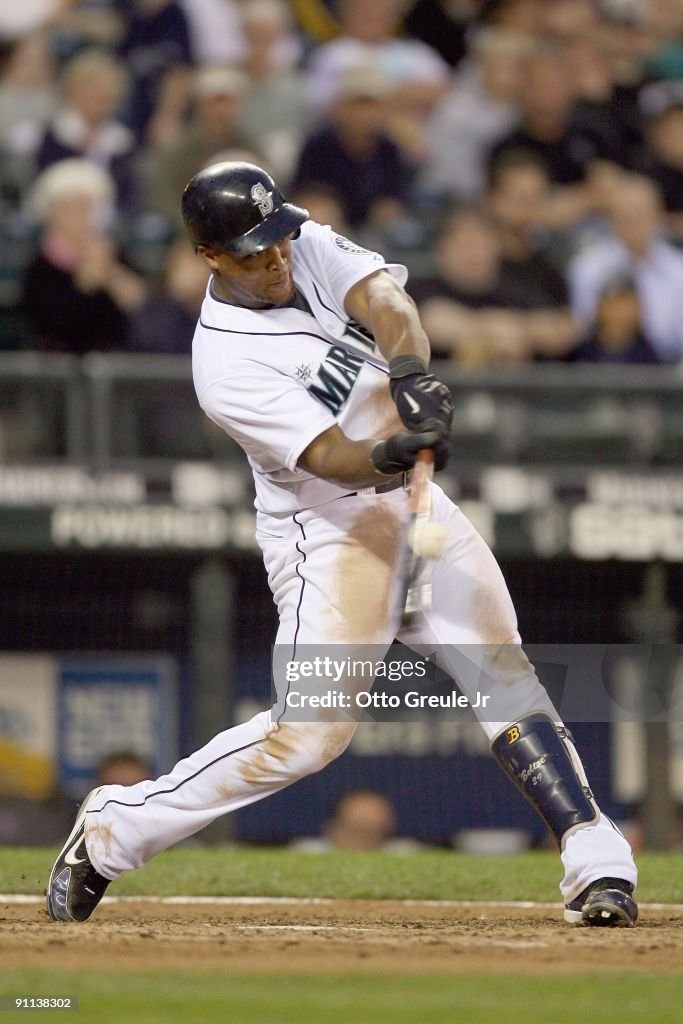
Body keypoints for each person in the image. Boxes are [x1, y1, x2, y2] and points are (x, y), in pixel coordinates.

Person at [46, 159, 638, 929]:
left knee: (502, 669)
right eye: (254, 252)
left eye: (278, 241)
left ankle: (596, 862)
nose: (276, 259)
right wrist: (398, 449)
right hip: (328, 528)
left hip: (412, 503)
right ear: (209, 258)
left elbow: (384, 297)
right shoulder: (223, 360)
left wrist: (411, 375)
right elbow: (329, 457)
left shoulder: (300, 242)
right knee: (308, 737)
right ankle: (114, 827)